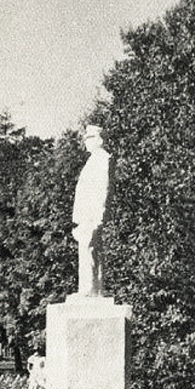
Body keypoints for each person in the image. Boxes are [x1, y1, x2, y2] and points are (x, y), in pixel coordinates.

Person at [72, 125, 114, 297]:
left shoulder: (103, 158)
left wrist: (99, 215)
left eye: (89, 138)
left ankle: (91, 290)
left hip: (92, 214)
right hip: (85, 215)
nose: (85, 142)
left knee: (90, 248)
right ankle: (89, 289)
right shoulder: (93, 160)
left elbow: (103, 188)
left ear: (99, 139)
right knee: (87, 249)